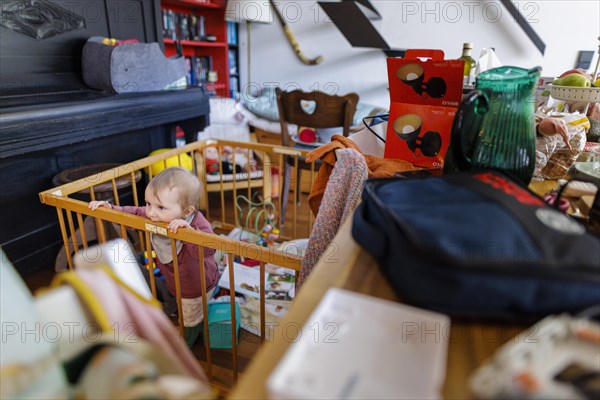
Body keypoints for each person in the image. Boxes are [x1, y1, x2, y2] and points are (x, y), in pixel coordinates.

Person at [89, 166, 219, 348]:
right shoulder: (156, 216)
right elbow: (134, 213)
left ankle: (186, 341)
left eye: (160, 207)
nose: (150, 213)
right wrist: (110, 209)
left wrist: (190, 234)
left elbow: (208, 251)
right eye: (148, 203)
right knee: (176, 295)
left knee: (191, 318)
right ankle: (184, 305)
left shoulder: (198, 225)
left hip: (195, 285)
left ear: (187, 211)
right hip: (175, 278)